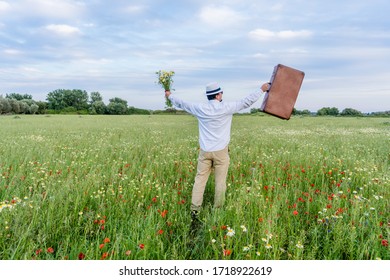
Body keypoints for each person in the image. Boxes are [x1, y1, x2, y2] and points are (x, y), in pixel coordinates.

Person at [164, 81, 270, 221]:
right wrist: (262, 89)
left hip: (205, 151)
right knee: (220, 182)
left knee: (200, 180)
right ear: (219, 95)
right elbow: (246, 102)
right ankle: (217, 211)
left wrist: (169, 96)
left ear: (209, 96)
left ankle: (195, 211)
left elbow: (182, 103)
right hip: (221, 151)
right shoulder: (226, 107)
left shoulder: (200, 108)